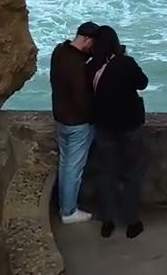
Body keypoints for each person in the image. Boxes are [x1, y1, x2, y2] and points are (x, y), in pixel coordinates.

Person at [89, 24, 150, 239]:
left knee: (106, 172)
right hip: (129, 126)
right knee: (131, 172)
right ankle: (132, 222)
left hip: (103, 126)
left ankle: (108, 220)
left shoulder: (92, 67)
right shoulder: (126, 63)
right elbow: (142, 83)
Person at [50, 21, 98, 224]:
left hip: (61, 117)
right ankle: (69, 211)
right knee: (74, 169)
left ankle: (64, 206)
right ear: (87, 39)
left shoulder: (59, 52)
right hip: (78, 122)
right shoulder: (77, 66)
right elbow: (81, 99)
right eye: (93, 44)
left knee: (65, 164)